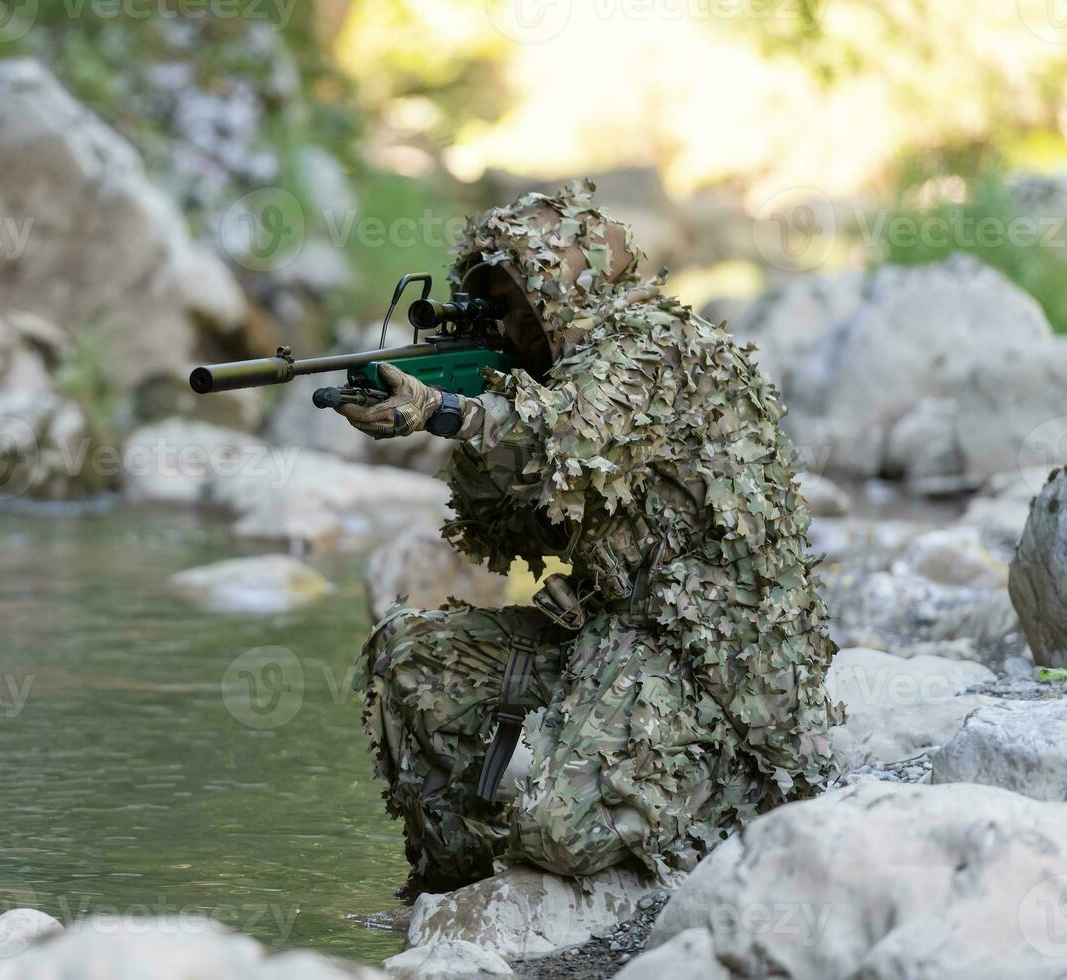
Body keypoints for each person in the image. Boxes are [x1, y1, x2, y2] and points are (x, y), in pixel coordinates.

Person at [336, 181, 841, 896]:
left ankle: (731, 799)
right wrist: (470, 420)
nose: (509, 328)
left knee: (555, 827)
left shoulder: (657, 348)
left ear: (561, 290)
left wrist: (450, 411)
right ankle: (457, 893)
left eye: (517, 306)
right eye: (495, 310)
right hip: (607, 637)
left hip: (713, 672)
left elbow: (568, 436)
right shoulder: (547, 379)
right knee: (411, 655)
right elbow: (508, 537)